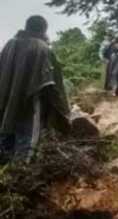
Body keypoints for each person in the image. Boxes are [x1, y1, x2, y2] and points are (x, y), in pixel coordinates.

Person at [0, 16, 70, 157]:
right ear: (43, 30)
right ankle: (22, 172)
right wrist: (63, 108)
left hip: (6, 103)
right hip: (30, 104)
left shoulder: (9, 44)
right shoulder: (42, 48)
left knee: (5, 139)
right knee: (27, 144)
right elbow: (51, 81)